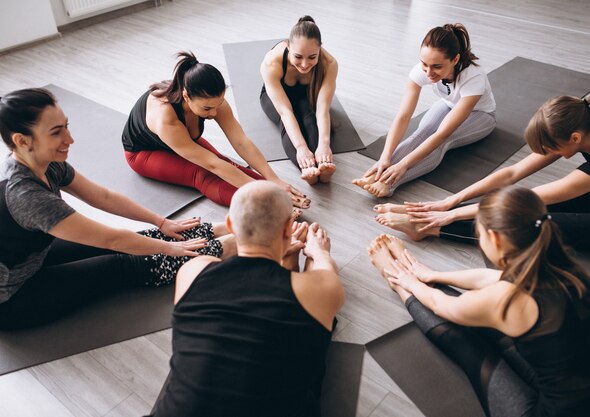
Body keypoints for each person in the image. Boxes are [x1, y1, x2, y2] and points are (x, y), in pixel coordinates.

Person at [369, 186, 590, 417]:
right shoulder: (563, 267)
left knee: (468, 343)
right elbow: (493, 278)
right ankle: (407, 282)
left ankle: (397, 284)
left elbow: (442, 306)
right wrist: (432, 274)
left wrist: (409, 282)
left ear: (495, 239)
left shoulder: (508, 299)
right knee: (491, 326)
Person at [0, 88, 235, 330]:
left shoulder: (42, 163)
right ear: (22, 140)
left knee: (133, 242)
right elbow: (112, 240)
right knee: (119, 266)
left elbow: (102, 196)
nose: (69, 139)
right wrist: (170, 248)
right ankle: (227, 246)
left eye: (66, 126)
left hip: (32, 256)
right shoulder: (27, 195)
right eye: (56, 132)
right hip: (13, 299)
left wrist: (160, 222)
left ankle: (217, 230)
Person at [148, 181, 344, 417]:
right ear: (287, 229)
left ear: (230, 224)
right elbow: (323, 274)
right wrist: (319, 251)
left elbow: (248, 292)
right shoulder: (322, 288)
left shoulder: (192, 271)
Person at [373, 95, 590, 254]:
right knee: (521, 209)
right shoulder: (586, 130)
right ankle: (428, 218)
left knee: (533, 222)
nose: (548, 153)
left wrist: (451, 215)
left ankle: (429, 229)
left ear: (575, 138)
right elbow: (512, 174)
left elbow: (528, 199)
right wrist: (450, 201)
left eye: (550, 149)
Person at [123, 51, 308, 210]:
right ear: (186, 97)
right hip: (144, 153)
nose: (213, 113)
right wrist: (264, 195)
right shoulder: (166, 119)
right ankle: (265, 206)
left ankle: (272, 195)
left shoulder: (211, 99)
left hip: (182, 139)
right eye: (206, 109)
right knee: (202, 174)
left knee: (225, 163)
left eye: (218, 105)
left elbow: (240, 141)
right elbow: (212, 165)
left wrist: (273, 180)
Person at [353, 23, 496, 197]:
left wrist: (403, 165)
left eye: (437, 66)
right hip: (448, 104)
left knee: (442, 143)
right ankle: (378, 174)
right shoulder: (423, 70)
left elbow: (442, 134)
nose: (429, 72)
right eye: (424, 64)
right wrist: (385, 157)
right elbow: (403, 116)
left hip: (481, 115)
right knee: (421, 133)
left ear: (455, 60)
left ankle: (389, 184)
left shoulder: (473, 77)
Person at [260, 15, 339, 185]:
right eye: (298, 57)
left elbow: (322, 109)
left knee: (309, 117)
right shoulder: (272, 62)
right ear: (288, 46)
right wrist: (302, 149)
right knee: (289, 120)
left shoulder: (329, 64)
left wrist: (324, 144)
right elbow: (285, 112)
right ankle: (307, 168)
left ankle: (323, 164)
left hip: (305, 94)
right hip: (277, 97)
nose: (304, 64)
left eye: (312, 57)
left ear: (320, 50)